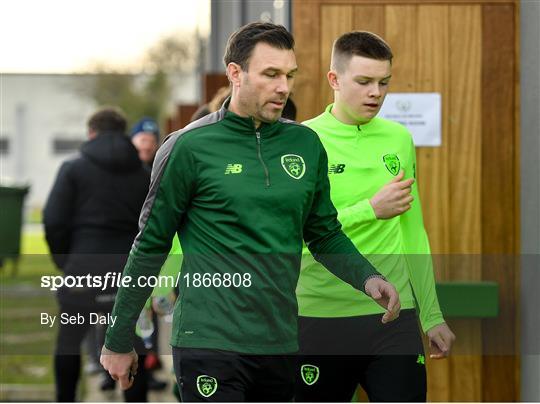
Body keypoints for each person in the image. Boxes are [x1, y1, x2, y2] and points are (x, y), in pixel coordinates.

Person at [100, 22, 400, 402]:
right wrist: (118, 338)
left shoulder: (306, 145)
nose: (283, 87)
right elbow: (150, 245)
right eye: (271, 74)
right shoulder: (189, 147)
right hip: (208, 340)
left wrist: (367, 277)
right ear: (235, 73)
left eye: (289, 75)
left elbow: (323, 233)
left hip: (281, 342)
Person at [294, 31, 456, 402]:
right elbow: (295, 236)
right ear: (334, 80)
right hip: (320, 316)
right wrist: (370, 210)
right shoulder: (301, 141)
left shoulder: (399, 138)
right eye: (364, 81)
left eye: (384, 83)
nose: (376, 93)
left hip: (393, 316)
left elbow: (413, 232)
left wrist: (431, 315)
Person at [44, 107, 150, 401]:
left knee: (68, 342)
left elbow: (54, 221)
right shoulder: (143, 174)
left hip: (83, 270)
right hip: (129, 272)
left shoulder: (73, 169)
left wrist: (66, 261)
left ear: (91, 133)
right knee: (134, 342)